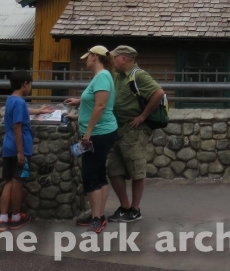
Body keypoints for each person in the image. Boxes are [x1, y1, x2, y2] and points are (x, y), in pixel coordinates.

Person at [63, 45, 118, 233]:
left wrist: (87, 133)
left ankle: (96, 218)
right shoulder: (103, 76)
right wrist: (78, 107)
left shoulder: (102, 76)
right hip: (101, 131)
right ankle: (99, 214)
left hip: (98, 134)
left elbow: (101, 106)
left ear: (95, 57)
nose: (85, 59)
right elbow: (95, 102)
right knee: (99, 173)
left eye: (88, 56)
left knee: (89, 175)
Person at [107, 45, 165, 222]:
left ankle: (135, 208)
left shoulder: (138, 75)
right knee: (113, 168)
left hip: (135, 131)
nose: (112, 60)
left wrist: (142, 116)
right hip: (117, 129)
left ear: (123, 58)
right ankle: (124, 206)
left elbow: (158, 92)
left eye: (114, 57)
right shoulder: (116, 77)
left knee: (136, 170)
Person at [0, 73, 53, 232]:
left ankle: (3, 218)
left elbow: (20, 114)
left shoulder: (10, 100)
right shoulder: (20, 103)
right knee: (18, 182)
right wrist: (21, 152)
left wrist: (38, 110)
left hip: (8, 147)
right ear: (25, 83)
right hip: (19, 149)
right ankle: (15, 217)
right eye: (30, 84)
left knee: (9, 181)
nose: (31, 87)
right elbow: (17, 126)